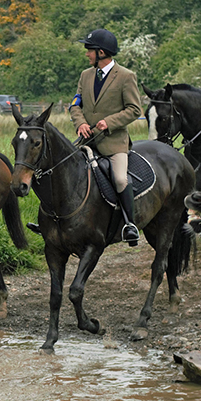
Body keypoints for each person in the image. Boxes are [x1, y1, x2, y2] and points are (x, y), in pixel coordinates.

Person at [71, 28, 143, 244]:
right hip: (87, 141)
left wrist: (109, 122)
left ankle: (130, 224)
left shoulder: (126, 76)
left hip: (113, 143)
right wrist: (81, 123)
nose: (87, 54)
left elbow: (134, 109)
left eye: (89, 50)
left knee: (120, 178)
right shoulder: (85, 75)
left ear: (101, 52)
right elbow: (75, 105)